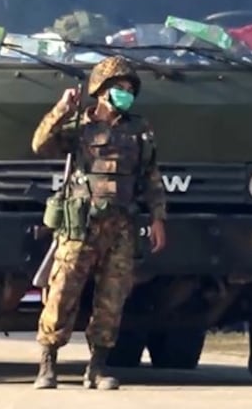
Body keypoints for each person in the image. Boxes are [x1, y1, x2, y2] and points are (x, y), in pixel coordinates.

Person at [29, 55, 167, 390]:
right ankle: (47, 364)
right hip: (81, 224)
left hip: (121, 225)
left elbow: (151, 177)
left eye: (129, 88)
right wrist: (62, 109)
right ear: (101, 91)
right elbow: (40, 144)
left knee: (112, 297)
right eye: (119, 87)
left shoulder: (140, 130)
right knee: (62, 292)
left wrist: (159, 218)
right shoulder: (80, 127)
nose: (126, 93)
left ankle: (97, 367)